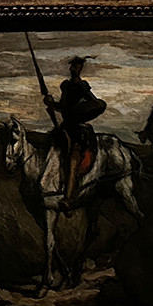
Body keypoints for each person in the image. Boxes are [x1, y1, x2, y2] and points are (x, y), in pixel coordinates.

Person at [43, 56, 106, 209]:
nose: (74, 69)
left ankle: (68, 198)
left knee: (73, 159)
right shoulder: (65, 86)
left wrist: (79, 111)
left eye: (77, 67)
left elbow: (95, 103)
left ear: (80, 69)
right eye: (73, 66)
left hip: (77, 129)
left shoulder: (82, 86)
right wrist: (52, 103)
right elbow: (63, 107)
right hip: (65, 126)